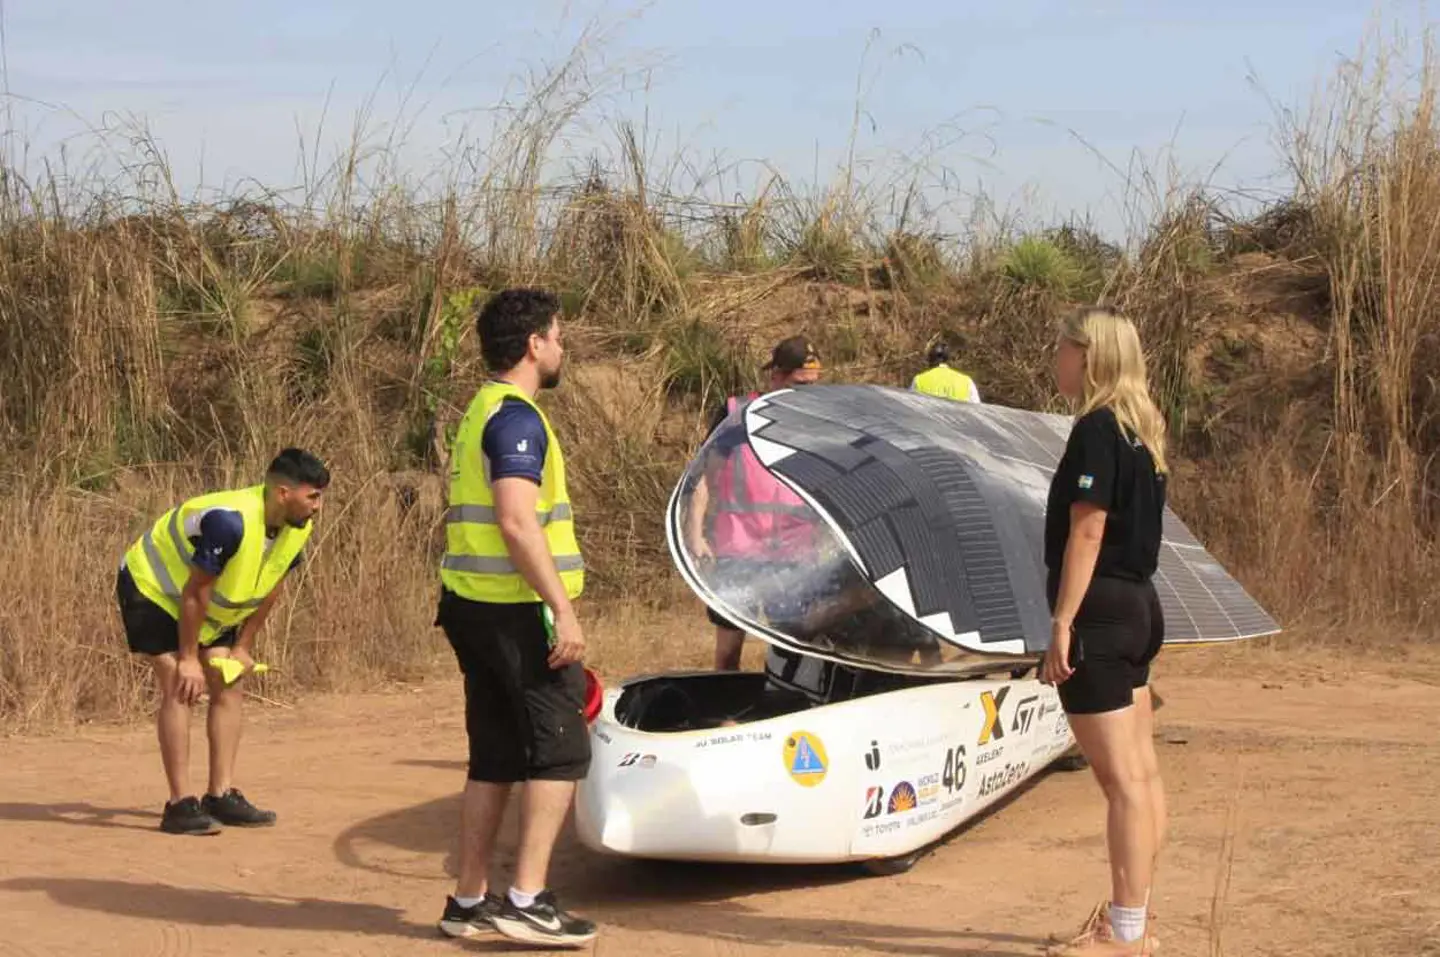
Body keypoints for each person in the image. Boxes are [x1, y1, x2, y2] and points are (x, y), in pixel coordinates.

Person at [433, 287, 597, 949]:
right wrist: (562, 608)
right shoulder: (517, 420)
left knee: (495, 756)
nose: (562, 346)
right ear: (534, 344)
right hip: (517, 613)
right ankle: (527, 899)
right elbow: (516, 520)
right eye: (557, 335)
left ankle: (469, 900)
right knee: (561, 750)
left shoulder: (482, 408)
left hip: (473, 606)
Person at [1039, 307, 1168, 956]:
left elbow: (1087, 531)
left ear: (1088, 355)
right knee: (1140, 776)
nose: (1056, 359)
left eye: (1063, 348)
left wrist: (1062, 621)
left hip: (1101, 614)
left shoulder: (1096, 428)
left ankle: (1124, 932)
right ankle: (1135, 916)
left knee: (1122, 784)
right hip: (1139, 607)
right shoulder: (1142, 429)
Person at [116, 448, 329, 835]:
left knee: (229, 679)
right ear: (283, 493)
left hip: (205, 605)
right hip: (153, 588)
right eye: (313, 496)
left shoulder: (298, 525)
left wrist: (242, 647)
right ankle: (180, 805)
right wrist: (188, 658)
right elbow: (194, 591)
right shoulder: (229, 522)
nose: (319, 506)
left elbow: (273, 586)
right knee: (179, 684)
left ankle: (220, 795)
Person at [685, 335, 823, 671]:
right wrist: (695, 533)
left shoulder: (817, 422)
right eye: (799, 384)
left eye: (813, 385)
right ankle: (728, 704)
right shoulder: (737, 415)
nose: (806, 393)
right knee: (729, 651)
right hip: (738, 551)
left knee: (792, 654)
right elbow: (703, 476)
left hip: (794, 554)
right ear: (775, 376)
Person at [910, 341, 981, 402]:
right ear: (948, 359)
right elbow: (977, 408)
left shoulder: (919, 380)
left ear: (930, 359)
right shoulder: (966, 382)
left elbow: (910, 406)